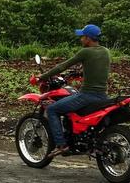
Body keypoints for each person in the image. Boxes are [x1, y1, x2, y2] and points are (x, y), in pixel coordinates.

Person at [37, 24, 111, 158]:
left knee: (53, 109)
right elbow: (97, 69)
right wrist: (80, 73)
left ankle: (61, 145)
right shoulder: (105, 51)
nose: (81, 39)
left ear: (88, 38)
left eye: (82, 37)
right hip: (103, 96)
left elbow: (62, 66)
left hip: (87, 95)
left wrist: (42, 77)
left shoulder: (85, 52)